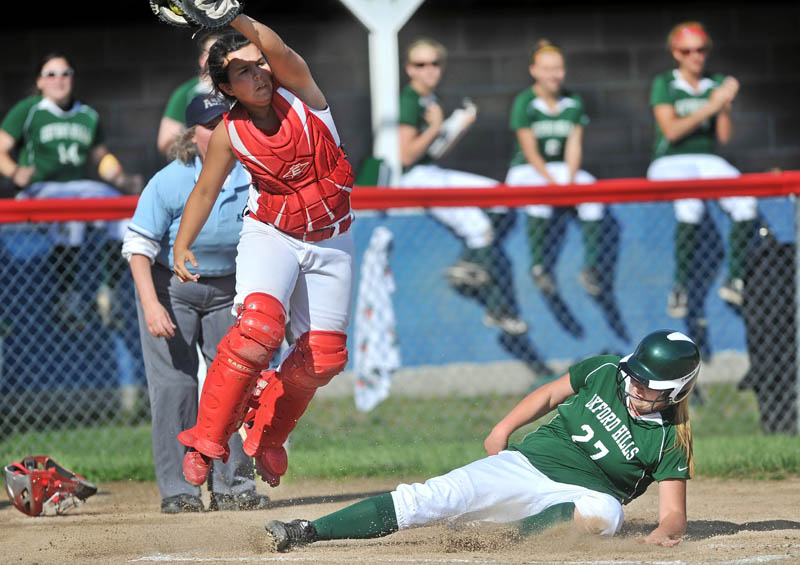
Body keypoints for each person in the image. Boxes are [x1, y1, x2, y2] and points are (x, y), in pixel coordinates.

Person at [263, 329, 700, 551]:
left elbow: (673, 515)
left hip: (586, 495)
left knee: (602, 513)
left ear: (677, 389)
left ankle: (505, 540)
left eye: (649, 385)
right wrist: (502, 429)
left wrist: (663, 533)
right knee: (429, 498)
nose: (636, 386)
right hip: (526, 466)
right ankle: (309, 530)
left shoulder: (669, 439)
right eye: (635, 376)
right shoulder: (608, 370)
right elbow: (550, 393)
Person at [170, 12, 355, 489]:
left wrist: (233, 16)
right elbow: (207, 190)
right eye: (243, 72)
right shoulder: (230, 132)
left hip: (331, 236)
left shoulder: (300, 91)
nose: (258, 74)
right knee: (257, 331)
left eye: (259, 65)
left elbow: (278, 48)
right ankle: (206, 441)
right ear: (227, 88)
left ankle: (268, 434)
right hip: (272, 232)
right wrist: (181, 242)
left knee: (325, 357)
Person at [122, 95, 270, 513]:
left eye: (227, 119)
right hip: (171, 287)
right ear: (192, 135)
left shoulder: (251, 172)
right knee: (175, 386)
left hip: (231, 287)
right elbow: (137, 248)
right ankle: (179, 491)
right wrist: (152, 305)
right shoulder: (169, 181)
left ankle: (235, 485)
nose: (222, 129)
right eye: (211, 124)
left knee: (235, 383)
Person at [0, 52, 142, 329]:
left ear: (73, 79)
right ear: (40, 81)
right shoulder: (29, 109)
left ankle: (107, 292)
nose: (59, 80)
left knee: (123, 214)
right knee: (71, 219)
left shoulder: (87, 114)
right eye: (51, 74)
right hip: (41, 188)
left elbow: (101, 158)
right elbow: (1, 148)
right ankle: (69, 298)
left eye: (65, 73)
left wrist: (122, 179)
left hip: (79, 187)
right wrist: (15, 172)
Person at [398, 38, 528, 336]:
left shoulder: (431, 99)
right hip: (414, 179)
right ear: (409, 69)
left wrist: (455, 127)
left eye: (434, 63)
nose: (428, 70)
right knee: (479, 228)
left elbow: (433, 152)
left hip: (431, 171)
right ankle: (498, 309)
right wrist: (435, 126)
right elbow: (407, 155)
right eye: (420, 64)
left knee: (500, 195)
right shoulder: (409, 98)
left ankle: (469, 262)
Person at [647, 21, 757, 317]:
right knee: (690, 205)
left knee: (746, 201)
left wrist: (724, 104)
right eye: (687, 50)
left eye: (701, 49)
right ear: (675, 53)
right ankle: (680, 286)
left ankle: (735, 278)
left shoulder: (715, 82)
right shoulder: (665, 83)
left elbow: (723, 136)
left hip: (706, 159)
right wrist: (712, 104)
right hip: (670, 160)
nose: (695, 56)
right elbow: (671, 131)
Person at [505, 40, 604, 297]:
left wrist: (569, 183)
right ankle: (539, 267)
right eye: (546, 68)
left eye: (558, 68)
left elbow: (574, 145)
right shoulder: (525, 101)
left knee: (592, 191)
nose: (553, 74)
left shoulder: (573, 101)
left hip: (561, 169)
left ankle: (591, 267)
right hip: (527, 169)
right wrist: (553, 185)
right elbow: (530, 151)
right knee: (540, 197)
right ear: (534, 71)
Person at [157, 30, 224, 157]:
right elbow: (165, 143)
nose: (217, 57)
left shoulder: (239, 88)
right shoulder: (186, 93)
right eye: (212, 52)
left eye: (223, 52)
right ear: (202, 59)